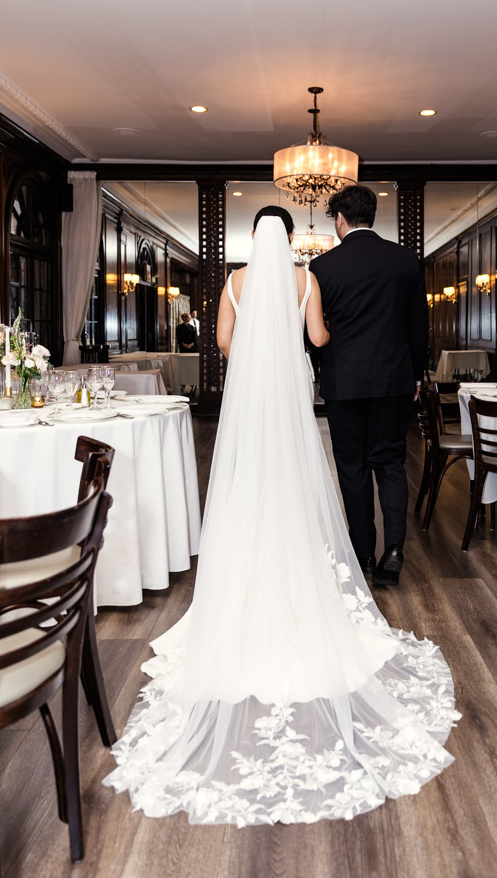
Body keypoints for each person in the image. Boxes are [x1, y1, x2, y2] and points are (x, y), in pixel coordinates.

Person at [104, 205, 457, 826]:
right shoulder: (306, 279)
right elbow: (318, 338)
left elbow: (221, 344)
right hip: (297, 393)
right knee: (307, 477)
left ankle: (248, 574)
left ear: (251, 239)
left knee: (247, 480)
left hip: (249, 397)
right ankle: (358, 559)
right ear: (289, 239)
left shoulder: (234, 284)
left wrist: (255, 352)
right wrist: (303, 337)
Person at [309, 185, 427, 588]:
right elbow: (418, 328)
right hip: (394, 379)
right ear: (371, 217)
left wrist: (319, 366)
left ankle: (363, 554)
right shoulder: (405, 261)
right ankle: (394, 551)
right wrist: (415, 374)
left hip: (344, 382)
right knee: (391, 462)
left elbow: (315, 334)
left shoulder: (323, 269)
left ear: (340, 219)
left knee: (353, 468)